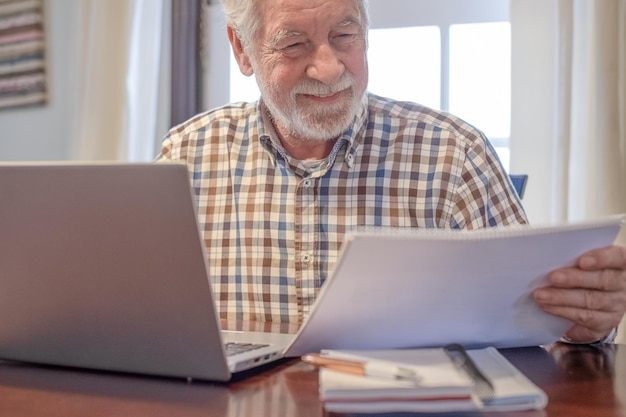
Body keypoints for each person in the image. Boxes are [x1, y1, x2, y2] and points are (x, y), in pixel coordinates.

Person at [158, 0, 626, 343]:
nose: (327, 68)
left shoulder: (454, 155)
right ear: (242, 49)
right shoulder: (186, 157)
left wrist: (582, 325)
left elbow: (539, 334)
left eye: (345, 36)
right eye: (294, 44)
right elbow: (142, 325)